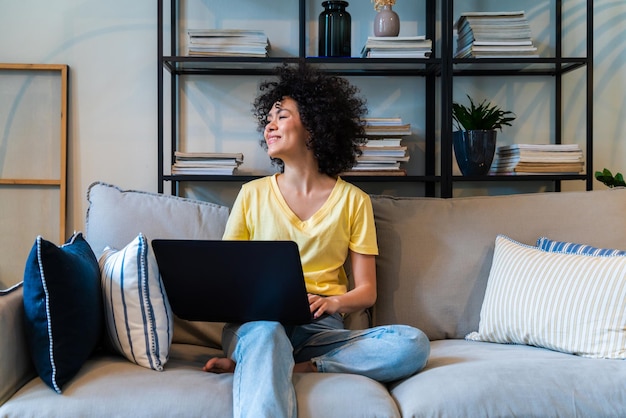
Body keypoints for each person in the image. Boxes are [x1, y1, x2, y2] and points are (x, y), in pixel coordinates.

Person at [202, 61, 430, 418]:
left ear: (312, 127)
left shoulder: (354, 200)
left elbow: (366, 292)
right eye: (269, 118)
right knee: (267, 334)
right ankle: (264, 360)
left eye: (282, 116)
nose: (270, 125)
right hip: (259, 326)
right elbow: (230, 280)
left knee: (412, 344)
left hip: (320, 333)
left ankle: (294, 368)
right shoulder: (251, 195)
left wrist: (333, 303)